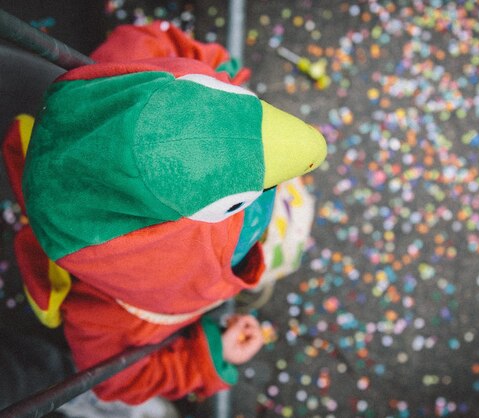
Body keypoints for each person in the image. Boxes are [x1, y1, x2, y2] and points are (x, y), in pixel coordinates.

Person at [4, 21, 326, 406]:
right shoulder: (124, 315)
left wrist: (221, 88)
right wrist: (207, 359)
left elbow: (151, 40)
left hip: (41, 114)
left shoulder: (135, 76)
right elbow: (119, 379)